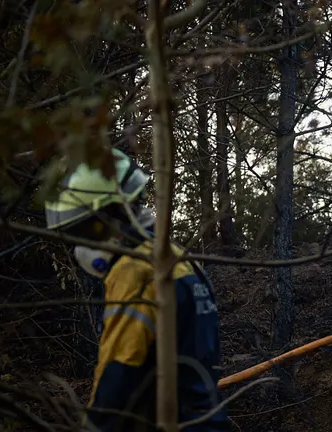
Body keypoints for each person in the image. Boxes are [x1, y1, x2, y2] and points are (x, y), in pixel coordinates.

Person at [44, 148, 228, 431]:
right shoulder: (179, 259)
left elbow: (118, 372)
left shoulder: (136, 271)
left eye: (86, 231)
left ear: (113, 216)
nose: (80, 246)